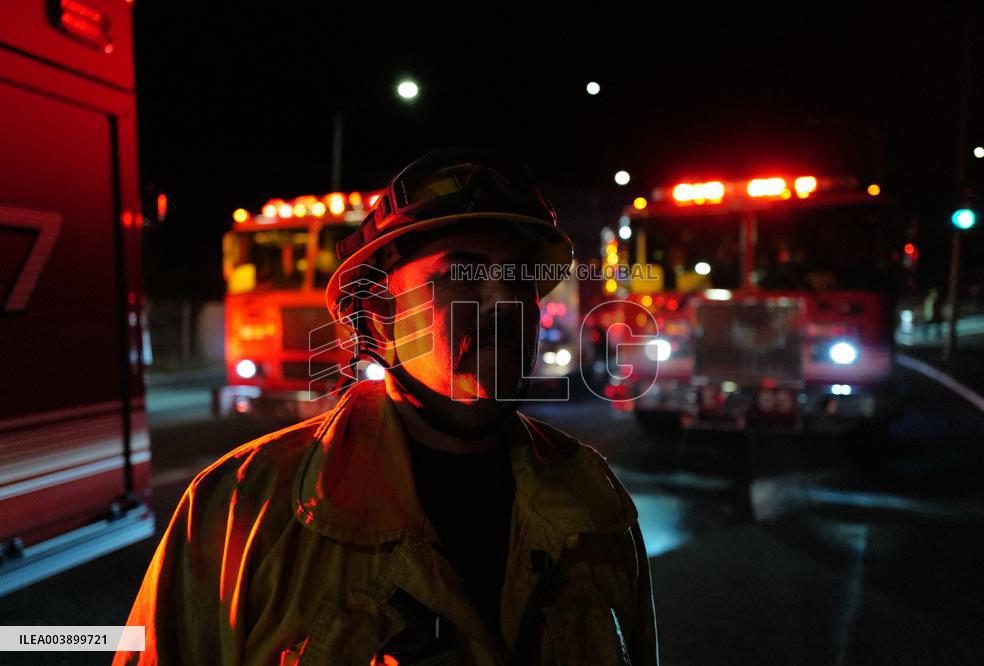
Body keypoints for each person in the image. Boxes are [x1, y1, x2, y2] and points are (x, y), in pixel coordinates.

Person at [114, 149, 659, 665]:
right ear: (377, 318)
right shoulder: (239, 513)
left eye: (519, 276)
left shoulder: (597, 505)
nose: (502, 300)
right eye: (457, 273)